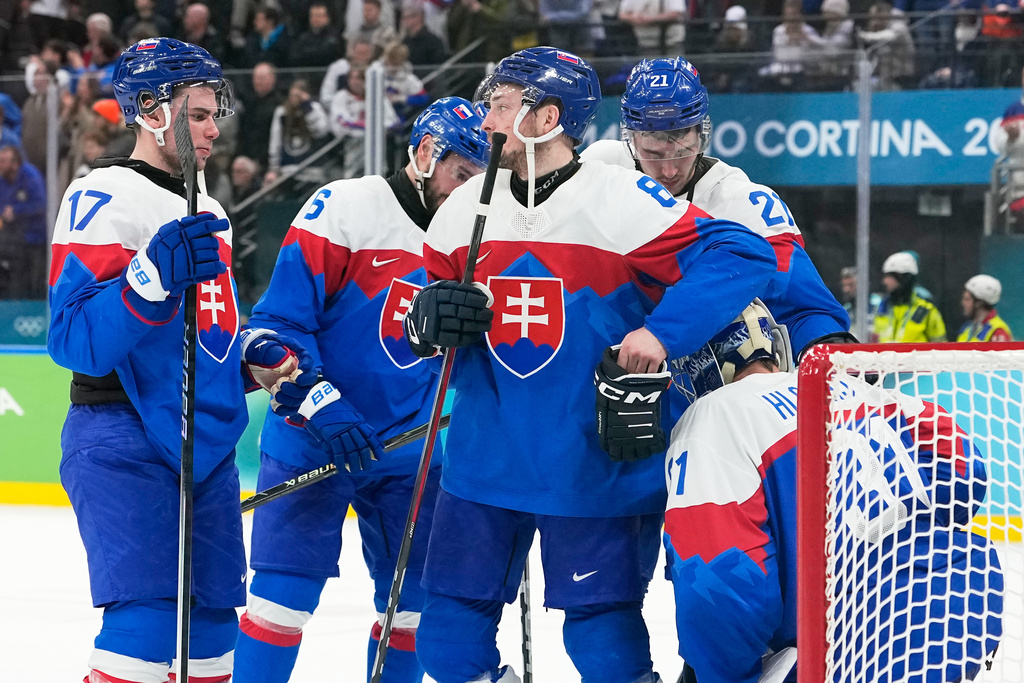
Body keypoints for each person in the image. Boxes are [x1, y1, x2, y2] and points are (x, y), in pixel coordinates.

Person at [406, 46, 778, 683]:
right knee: (444, 641)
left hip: (590, 462)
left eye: (498, 105)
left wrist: (662, 335)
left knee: (602, 642)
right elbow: (424, 323)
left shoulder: (621, 198)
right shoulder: (463, 208)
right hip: (482, 461)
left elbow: (742, 256)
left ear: (545, 117)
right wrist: (427, 322)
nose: (484, 117)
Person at [46, 37, 317, 683]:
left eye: (212, 113)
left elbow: (205, 343)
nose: (213, 127)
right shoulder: (102, 193)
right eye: (197, 113)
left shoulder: (212, 209)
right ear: (149, 109)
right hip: (121, 432)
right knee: (145, 621)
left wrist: (262, 365)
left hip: (204, 448)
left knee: (214, 627)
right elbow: (74, 339)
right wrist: (148, 277)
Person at [231, 96, 491, 683]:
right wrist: (321, 404)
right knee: (280, 605)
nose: (470, 193)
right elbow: (276, 327)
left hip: (412, 452)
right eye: (461, 175)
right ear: (426, 154)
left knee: (414, 613)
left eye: (482, 183)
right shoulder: (343, 208)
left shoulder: (474, 237)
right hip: (314, 439)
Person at [665, 301, 1004, 683]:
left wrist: (725, 675)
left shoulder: (713, 414)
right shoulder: (848, 386)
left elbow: (718, 581)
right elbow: (966, 472)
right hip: (957, 618)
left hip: (848, 656)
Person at [580, 57, 852, 362]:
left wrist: (831, 350)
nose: (668, 171)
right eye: (653, 154)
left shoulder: (744, 203)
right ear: (630, 139)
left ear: (702, 134)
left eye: (682, 152)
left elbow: (805, 307)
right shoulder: (601, 167)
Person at [0, 144, 47, 298]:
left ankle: (36, 314)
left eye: (3, 161)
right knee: (14, 280)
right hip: (12, 239)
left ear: (15, 164)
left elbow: (41, 204)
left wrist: (16, 211)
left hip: (35, 238)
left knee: (34, 281)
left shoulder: (31, 176)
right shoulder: (3, 180)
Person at [873, 251, 946, 343]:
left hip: (917, 357)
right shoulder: (882, 309)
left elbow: (940, 348)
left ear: (904, 278)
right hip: (883, 357)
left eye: (889, 276)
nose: (885, 281)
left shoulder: (925, 311)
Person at [958, 274, 1013, 342]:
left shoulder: (998, 331)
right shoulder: (967, 328)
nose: (963, 303)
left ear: (979, 303)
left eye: (967, 299)